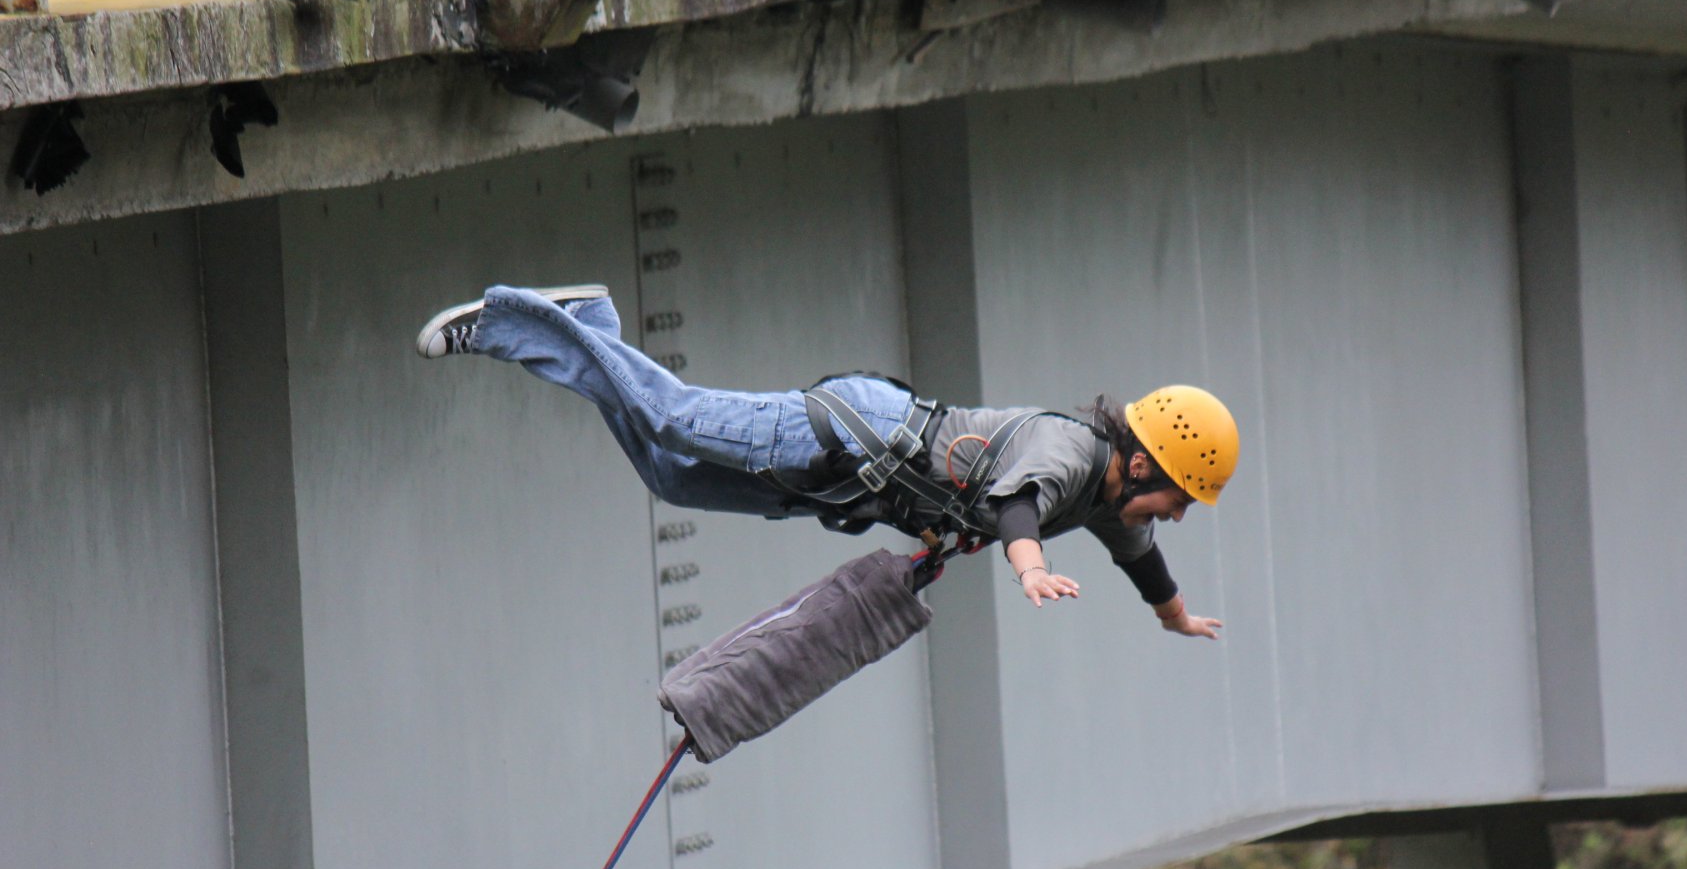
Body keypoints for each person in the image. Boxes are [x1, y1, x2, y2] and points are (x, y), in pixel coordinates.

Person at [416, 285, 1238, 639]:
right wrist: (1028, 570)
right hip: (853, 434)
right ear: (1141, 465)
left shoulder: (1108, 500)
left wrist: (1174, 616)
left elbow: (1144, 561)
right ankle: (507, 321)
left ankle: (589, 322)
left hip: (845, 484)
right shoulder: (1069, 450)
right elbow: (1018, 505)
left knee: (670, 476)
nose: (1175, 514)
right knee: (671, 415)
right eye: (1178, 496)